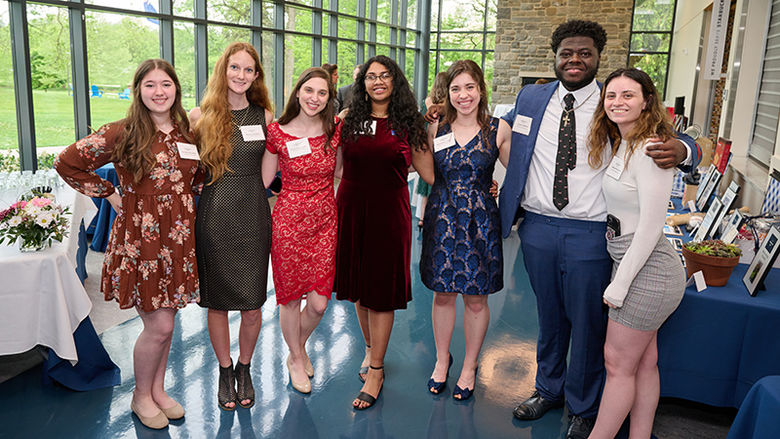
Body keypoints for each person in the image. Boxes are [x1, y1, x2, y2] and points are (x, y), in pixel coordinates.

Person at [495, 20, 701, 439]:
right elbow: (499, 129)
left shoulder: (612, 102)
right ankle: (547, 389)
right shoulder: (532, 96)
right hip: (536, 228)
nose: (575, 60)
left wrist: (684, 149)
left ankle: (583, 406)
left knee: (588, 322)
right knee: (549, 317)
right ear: (554, 57)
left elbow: (671, 139)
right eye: (567, 53)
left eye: (584, 53)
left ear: (598, 59)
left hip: (590, 232)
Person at [55, 59, 199, 429]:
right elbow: (67, 162)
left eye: (166, 84)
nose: (159, 91)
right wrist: (109, 193)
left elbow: (193, 179)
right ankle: (140, 396)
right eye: (150, 85)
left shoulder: (186, 132)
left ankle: (157, 390)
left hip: (178, 239)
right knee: (160, 326)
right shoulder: (123, 132)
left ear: (176, 89)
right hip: (143, 240)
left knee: (170, 320)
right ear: (138, 91)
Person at [586, 68, 685, 439]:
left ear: (647, 101)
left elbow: (650, 227)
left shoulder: (650, 150)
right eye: (611, 95)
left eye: (628, 95)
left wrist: (619, 285)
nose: (617, 102)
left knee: (617, 364)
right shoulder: (624, 142)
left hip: (647, 270)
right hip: (630, 260)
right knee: (644, 363)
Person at [414, 60, 511, 401]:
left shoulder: (499, 129)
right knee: (442, 294)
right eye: (456, 89)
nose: (463, 95)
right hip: (442, 218)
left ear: (481, 90)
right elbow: (425, 171)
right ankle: (442, 360)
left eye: (469, 87)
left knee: (475, 298)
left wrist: (498, 189)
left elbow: (519, 175)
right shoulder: (435, 128)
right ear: (448, 93)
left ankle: (469, 365)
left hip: (480, 221)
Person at [335, 55, 426, 410]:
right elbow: (335, 169)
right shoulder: (348, 120)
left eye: (384, 76)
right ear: (362, 84)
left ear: (395, 81)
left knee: (381, 293)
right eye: (370, 77)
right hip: (352, 209)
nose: (377, 82)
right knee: (359, 287)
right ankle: (371, 348)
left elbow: (430, 174)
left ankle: (376, 370)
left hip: (390, 213)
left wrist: (483, 183)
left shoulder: (409, 123)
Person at [189, 42, 274, 411]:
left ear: (256, 76)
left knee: (253, 305)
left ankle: (245, 367)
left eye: (248, 70)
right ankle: (225, 371)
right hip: (215, 215)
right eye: (234, 68)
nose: (241, 75)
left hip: (254, 214)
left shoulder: (265, 116)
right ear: (223, 70)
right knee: (219, 304)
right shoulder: (200, 116)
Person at [261, 67, 342, 394]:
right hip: (288, 223)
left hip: (325, 222)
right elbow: (263, 182)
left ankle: (299, 346)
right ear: (298, 92)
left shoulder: (334, 130)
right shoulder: (278, 132)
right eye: (309, 90)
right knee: (291, 300)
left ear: (328, 98)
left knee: (320, 303)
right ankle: (295, 356)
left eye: (322, 93)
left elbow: (342, 172)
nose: (315, 98)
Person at [415, 72, 449, 229]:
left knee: (425, 187)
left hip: (427, 144)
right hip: (443, 144)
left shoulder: (427, 101)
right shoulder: (447, 105)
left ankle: (423, 217)